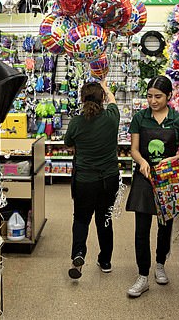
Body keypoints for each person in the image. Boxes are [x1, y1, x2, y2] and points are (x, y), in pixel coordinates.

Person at [125, 75, 179, 297]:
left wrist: (170, 161)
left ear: (169, 96)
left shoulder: (178, 120)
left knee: (165, 226)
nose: (153, 101)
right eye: (150, 96)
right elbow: (134, 148)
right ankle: (142, 275)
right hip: (144, 179)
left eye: (158, 97)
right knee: (141, 229)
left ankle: (160, 263)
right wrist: (142, 162)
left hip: (168, 180)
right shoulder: (140, 118)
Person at [64, 79, 120, 279]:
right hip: (109, 179)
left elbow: (69, 144)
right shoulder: (112, 117)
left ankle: (78, 254)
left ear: (82, 99)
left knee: (81, 219)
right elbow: (113, 100)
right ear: (102, 98)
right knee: (104, 219)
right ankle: (105, 261)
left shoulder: (76, 122)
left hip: (84, 181)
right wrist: (105, 86)